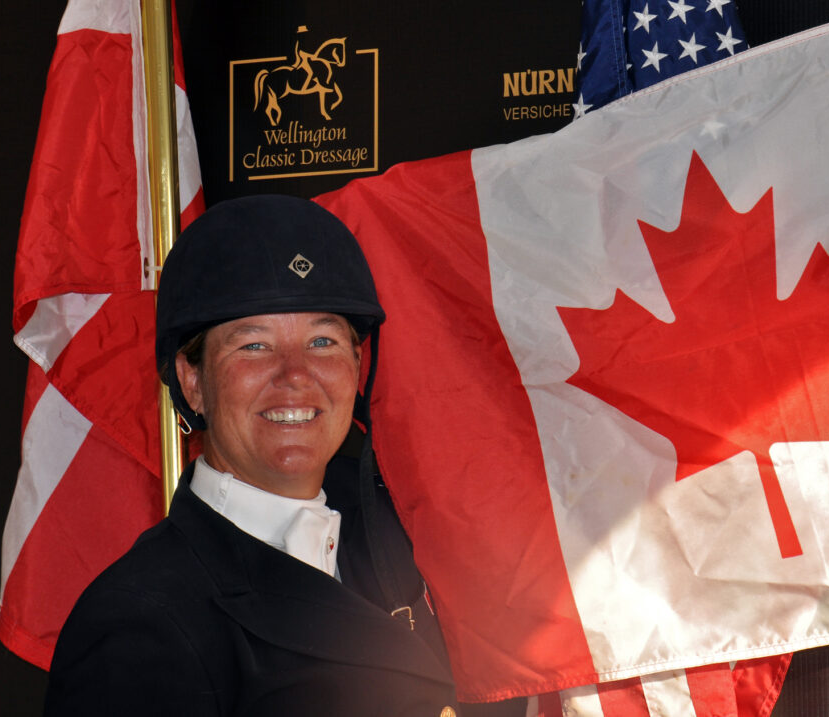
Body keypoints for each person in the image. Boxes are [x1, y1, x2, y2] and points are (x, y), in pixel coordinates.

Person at [44, 195, 518, 716]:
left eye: (322, 342)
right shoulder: (136, 624)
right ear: (193, 381)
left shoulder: (413, 536)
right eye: (254, 346)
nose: (295, 375)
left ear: (358, 369)